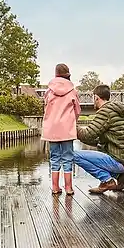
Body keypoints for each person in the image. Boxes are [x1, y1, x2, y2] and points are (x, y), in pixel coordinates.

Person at [74, 84, 124, 194]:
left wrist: (71, 125)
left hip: (118, 160)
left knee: (72, 155)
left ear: (96, 97)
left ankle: (107, 181)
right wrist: (80, 137)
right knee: (89, 155)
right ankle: (121, 176)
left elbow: (87, 134)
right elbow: (96, 140)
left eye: (93, 98)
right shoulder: (114, 111)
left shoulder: (105, 112)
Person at [41, 63, 81, 195]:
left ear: (56, 74)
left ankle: (55, 187)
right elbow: (77, 111)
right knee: (68, 157)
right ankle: (68, 188)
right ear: (68, 75)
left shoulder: (49, 91)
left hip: (52, 129)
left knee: (54, 157)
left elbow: (45, 108)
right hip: (67, 130)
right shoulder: (73, 92)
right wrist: (71, 120)